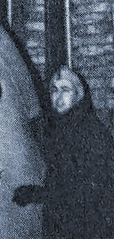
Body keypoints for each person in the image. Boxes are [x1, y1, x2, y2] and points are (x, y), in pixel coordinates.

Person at [12, 65, 114, 239]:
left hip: (88, 227)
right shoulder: (61, 128)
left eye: (65, 90)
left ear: (78, 95)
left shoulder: (91, 132)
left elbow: (86, 191)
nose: (58, 97)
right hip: (63, 224)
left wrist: (37, 194)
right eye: (54, 90)